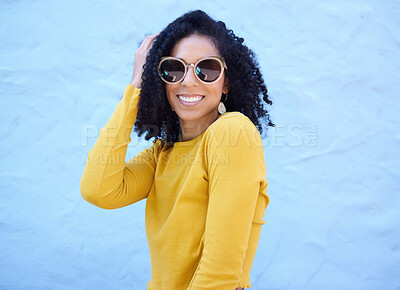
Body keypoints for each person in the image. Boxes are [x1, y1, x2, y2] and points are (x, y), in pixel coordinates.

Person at [80, 9, 274, 290]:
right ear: (161, 80)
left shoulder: (233, 132)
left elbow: (220, 274)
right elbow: (97, 190)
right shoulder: (162, 154)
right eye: (174, 68)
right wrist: (136, 87)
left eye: (207, 68)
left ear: (227, 82)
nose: (189, 81)